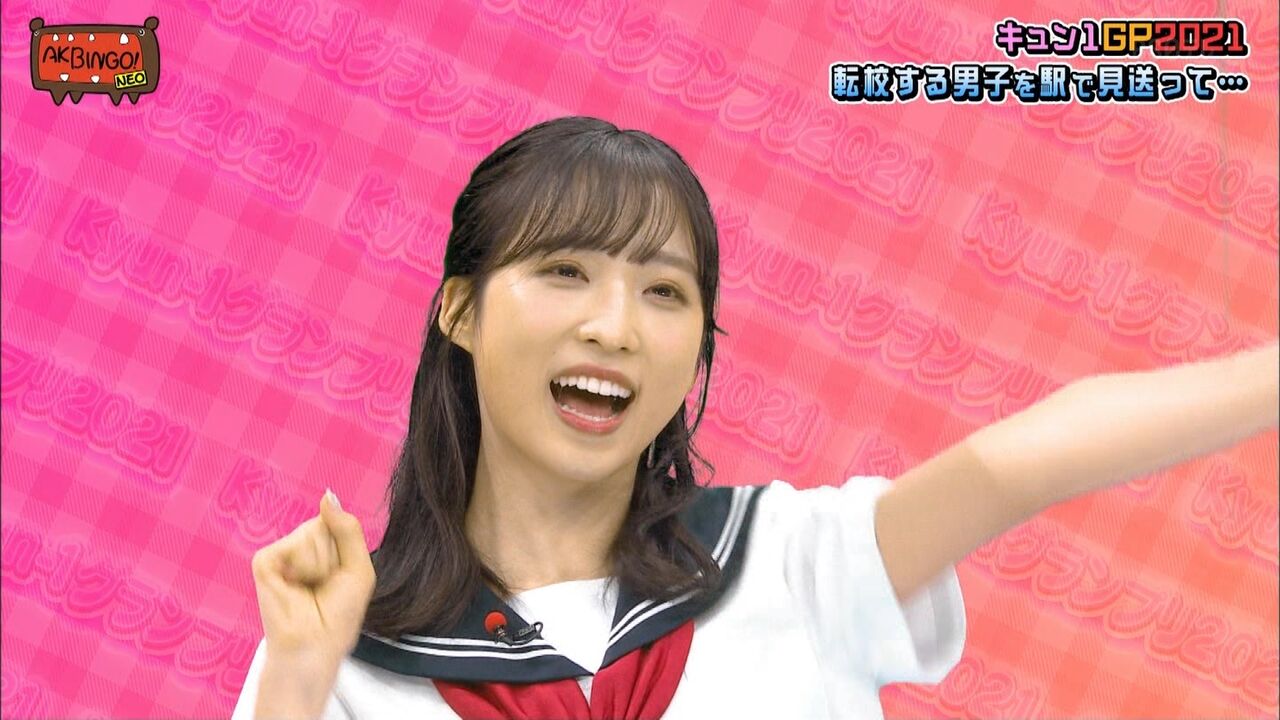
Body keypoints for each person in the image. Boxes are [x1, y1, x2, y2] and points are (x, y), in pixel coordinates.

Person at [231, 116, 1279, 720]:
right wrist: (297, 676)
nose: (614, 328)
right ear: (460, 310)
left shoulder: (785, 560)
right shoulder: (347, 656)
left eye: (663, 291)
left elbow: (1027, 461)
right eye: (563, 272)